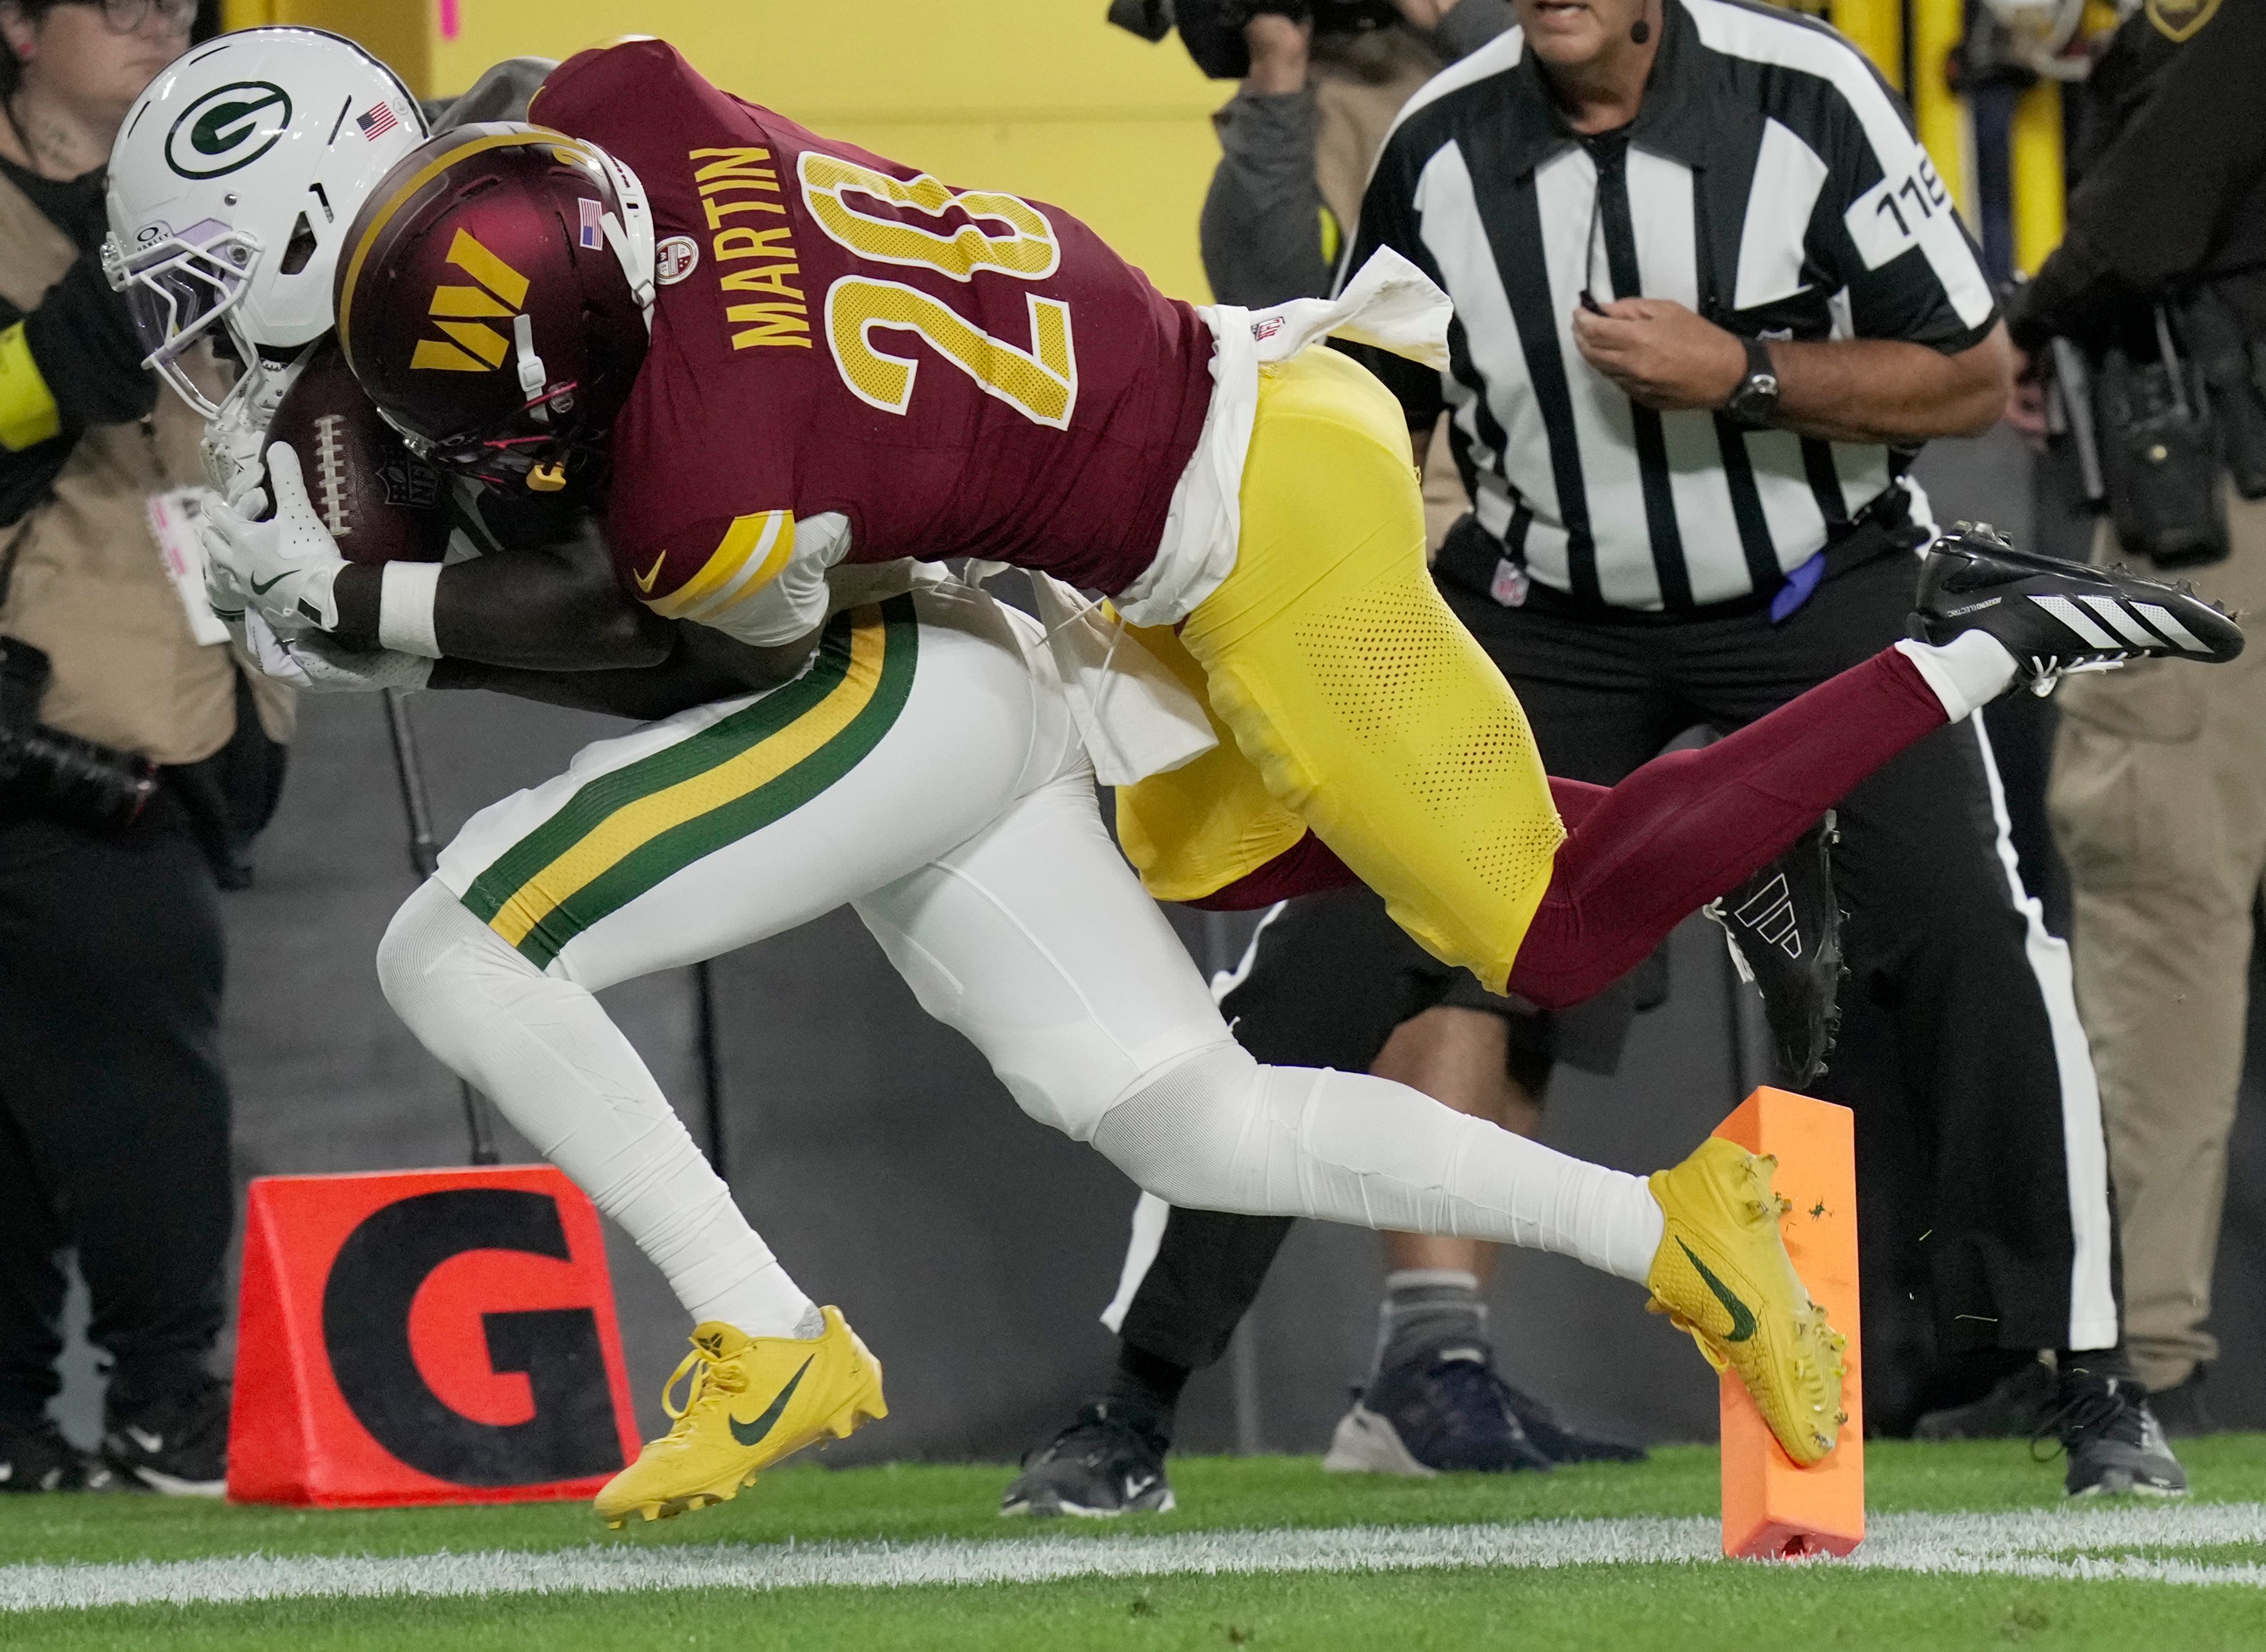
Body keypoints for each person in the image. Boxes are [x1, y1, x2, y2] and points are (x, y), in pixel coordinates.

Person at [195, 48, 2235, 1519]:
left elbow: (682, 632)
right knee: (1200, 1074)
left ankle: (1963, 639)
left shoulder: (700, 476)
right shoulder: (640, 106)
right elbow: (539, 110)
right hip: (1134, 552)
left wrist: (381, 591)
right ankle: (1681, 1228)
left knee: (1547, 915)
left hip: (1258, 533)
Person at [1024, 0, 2218, 1505]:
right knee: (1316, 965)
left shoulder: (1807, 94)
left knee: (1976, 935)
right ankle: (1132, 1404)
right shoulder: (1441, 139)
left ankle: (2090, 1383)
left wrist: (1751, 375)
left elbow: (1971, 375)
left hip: (1814, 585)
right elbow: (1360, 404)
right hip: (1541, 618)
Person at [0, 0, 293, 1498]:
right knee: (139, 1089)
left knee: (48, 1092)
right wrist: (88, 335)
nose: (152, 27)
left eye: (175, 9)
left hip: (189, 697)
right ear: (16, 26)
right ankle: (171, 1403)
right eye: (115, 5)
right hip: (49, 709)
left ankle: (17, 1429)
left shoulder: (229, 191)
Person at [1972, 0, 2266, 1439]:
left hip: (2217, 517)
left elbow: (2144, 230)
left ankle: (2131, 1353)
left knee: (2154, 904)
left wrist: (2020, 317)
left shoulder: (2208, 30)